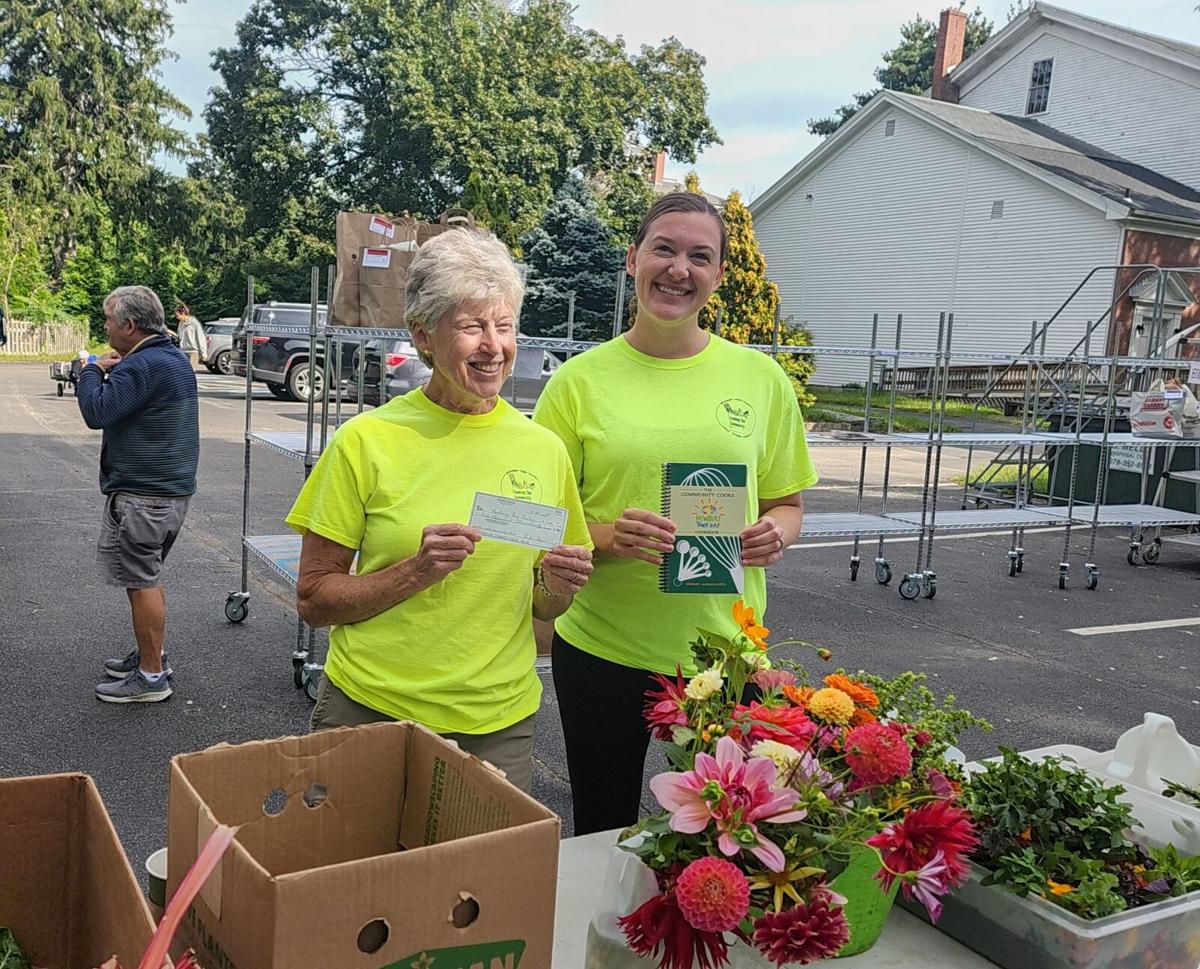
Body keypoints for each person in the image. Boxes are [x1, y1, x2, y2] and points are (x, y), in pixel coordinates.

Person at [532, 192, 819, 833]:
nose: (678, 269)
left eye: (700, 256)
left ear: (719, 274)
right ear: (633, 257)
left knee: (730, 832)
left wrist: (778, 533)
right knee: (603, 827)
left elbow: (788, 503)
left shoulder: (759, 380)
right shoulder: (577, 383)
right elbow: (537, 520)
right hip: (603, 651)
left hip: (724, 653)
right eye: (663, 248)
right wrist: (608, 535)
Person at [287, 228, 593, 794]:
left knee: (478, 884)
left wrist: (557, 585)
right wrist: (415, 571)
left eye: (504, 325)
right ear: (423, 335)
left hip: (496, 723)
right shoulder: (366, 440)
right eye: (472, 326)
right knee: (352, 880)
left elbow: (546, 606)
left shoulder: (542, 450)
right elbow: (313, 600)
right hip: (371, 709)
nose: (494, 345)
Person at [76, 286, 199, 703]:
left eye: (108, 320)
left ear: (129, 326)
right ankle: (154, 657)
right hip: (168, 492)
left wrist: (91, 369)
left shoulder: (139, 367)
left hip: (144, 496)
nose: (105, 326)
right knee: (147, 576)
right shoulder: (171, 358)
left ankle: (150, 679)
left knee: (141, 580)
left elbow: (97, 411)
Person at [174, 302, 206, 368]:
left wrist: (203, 353)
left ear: (183, 313)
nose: (177, 318)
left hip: (193, 352)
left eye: (178, 315)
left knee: (191, 372)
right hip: (183, 351)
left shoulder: (195, 324)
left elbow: (201, 338)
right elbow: (179, 337)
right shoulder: (181, 324)